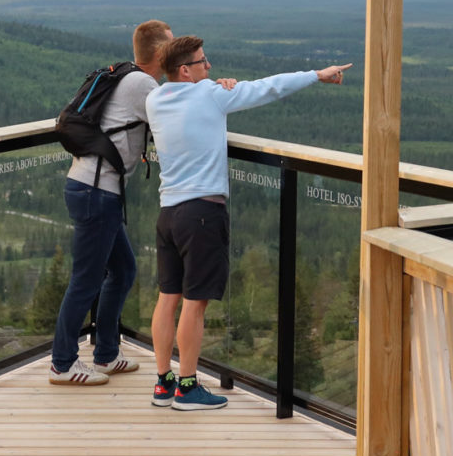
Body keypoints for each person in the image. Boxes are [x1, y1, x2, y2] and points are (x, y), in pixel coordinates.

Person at [145, 36, 350, 410]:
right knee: (195, 303)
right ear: (186, 69)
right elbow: (268, 88)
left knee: (167, 298)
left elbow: (200, 90)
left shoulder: (155, 99)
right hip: (202, 214)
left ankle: (163, 383)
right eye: (203, 62)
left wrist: (213, 85)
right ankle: (187, 388)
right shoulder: (210, 95)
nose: (210, 67)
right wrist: (317, 75)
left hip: (168, 213)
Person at [49, 19, 174, 384]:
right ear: (161, 52)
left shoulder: (129, 77)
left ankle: (105, 353)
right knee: (86, 280)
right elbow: (174, 118)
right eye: (172, 45)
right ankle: (62, 362)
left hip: (95, 189)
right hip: (97, 192)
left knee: (122, 271)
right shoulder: (142, 84)